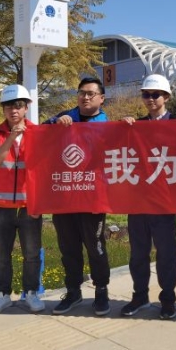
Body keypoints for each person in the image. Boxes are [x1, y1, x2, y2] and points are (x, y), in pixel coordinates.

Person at [45, 77, 112, 316]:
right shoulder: (64, 118)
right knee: (68, 247)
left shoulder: (107, 126)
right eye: (82, 92)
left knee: (95, 246)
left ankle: (101, 290)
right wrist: (54, 124)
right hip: (64, 196)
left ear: (101, 99)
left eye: (91, 93)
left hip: (93, 197)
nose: (85, 97)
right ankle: (73, 291)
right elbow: (39, 135)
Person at [120, 74, 176, 320]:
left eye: (155, 95)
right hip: (138, 200)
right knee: (138, 253)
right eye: (146, 94)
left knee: (166, 253)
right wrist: (122, 128)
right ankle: (140, 296)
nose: (150, 99)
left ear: (166, 97)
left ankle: (168, 299)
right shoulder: (136, 125)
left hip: (164, 201)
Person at [0, 84, 44, 316]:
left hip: (29, 206)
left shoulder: (38, 133)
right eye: (9, 106)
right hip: (1, 208)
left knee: (31, 254)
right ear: (3, 109)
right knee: (1, 255)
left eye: (18, 105)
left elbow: (45, 169)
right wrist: (10, 138)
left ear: (26, 107)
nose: (13, 110)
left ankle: (31, 293)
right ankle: (2, 295)